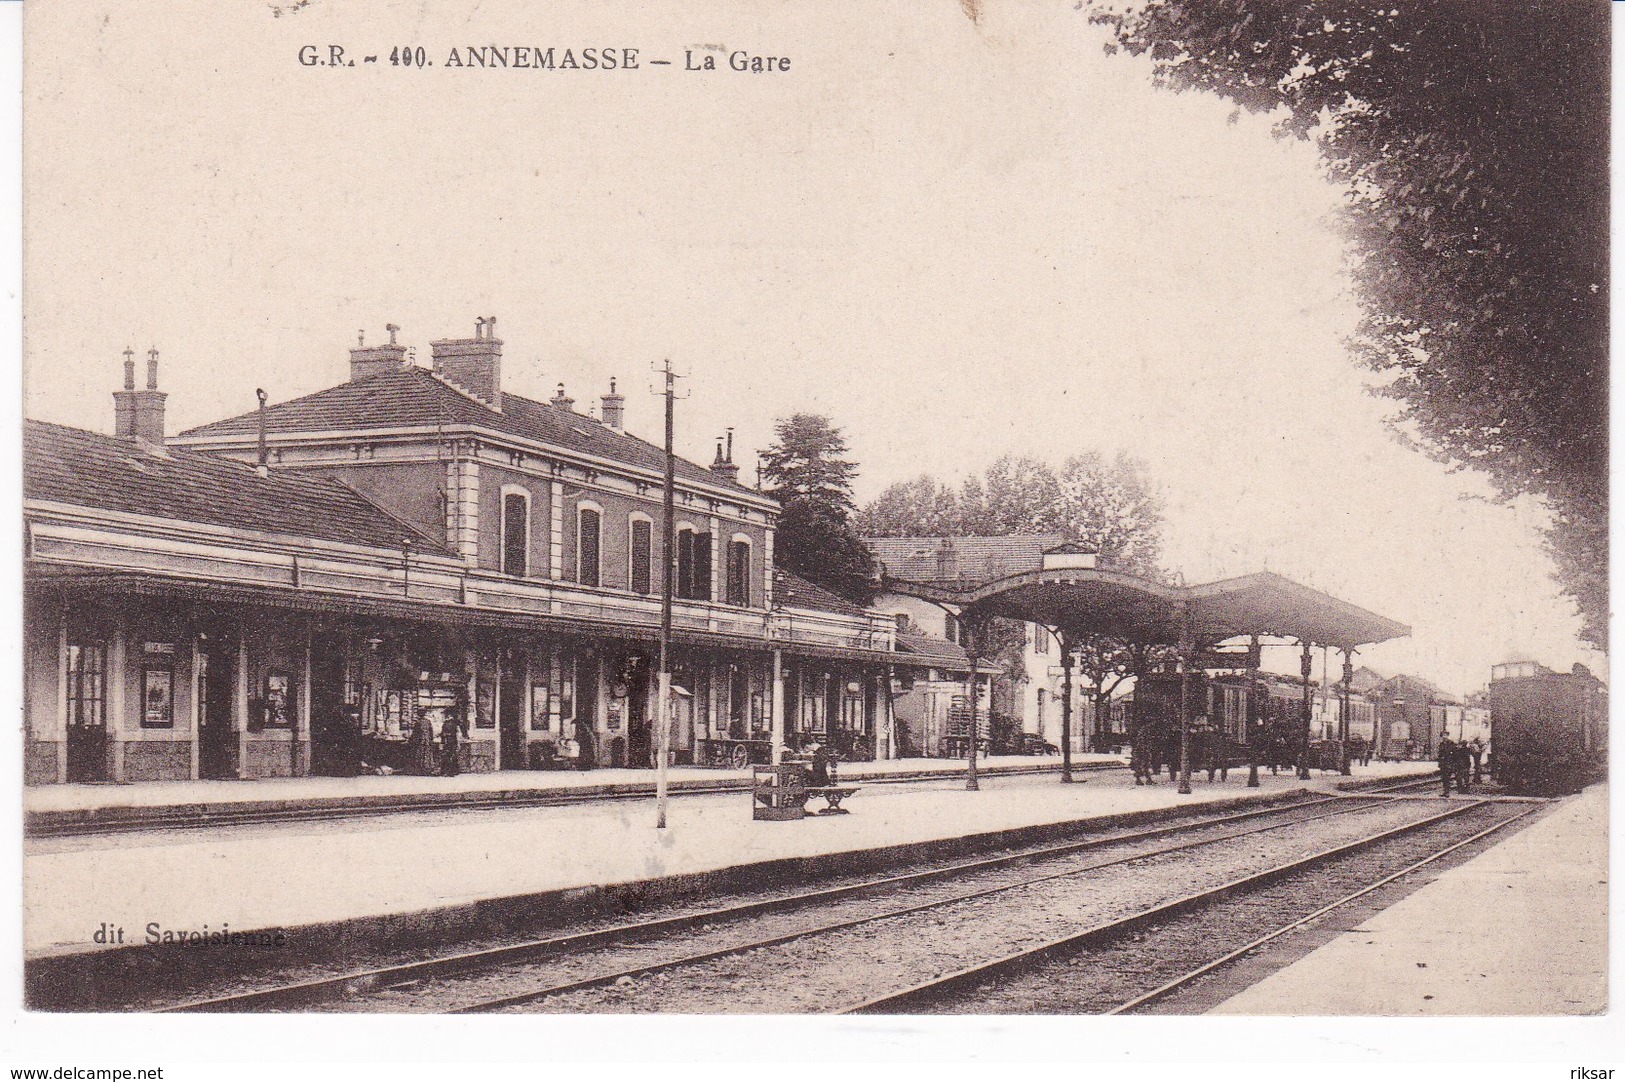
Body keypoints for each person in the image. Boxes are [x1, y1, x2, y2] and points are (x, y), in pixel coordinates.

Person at [408, 709, 437, 776]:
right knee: (427, 755)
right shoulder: (428, 721)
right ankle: (427, 769)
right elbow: (431, 732)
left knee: (420, 755)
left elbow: (415, 734)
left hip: (420, 741)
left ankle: (420, 770)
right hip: (427, 741)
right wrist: (431, 740)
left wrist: (411, 740)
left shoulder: (418, 722)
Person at [441, 708, 468, 778]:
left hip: (448, 741)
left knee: (447, 755)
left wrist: (443, 741)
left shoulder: (445, 724)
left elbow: (443, 734)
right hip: (453, 741)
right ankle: (453, 771)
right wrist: (458, 742)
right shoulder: (455, 723)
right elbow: (458, 734)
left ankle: (446, 771)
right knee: (453, 755)